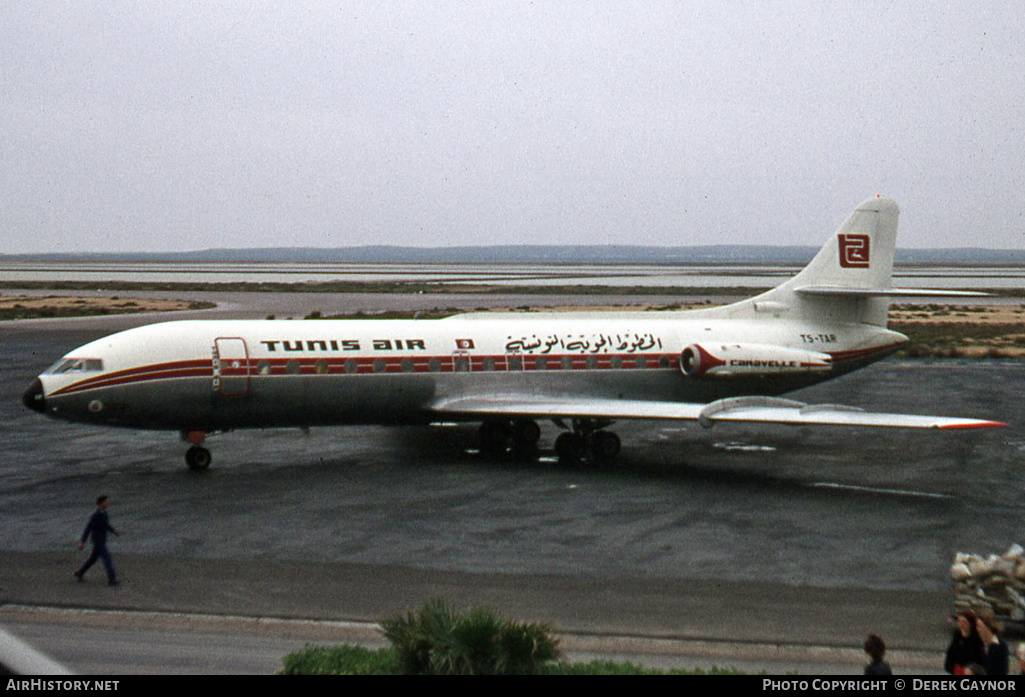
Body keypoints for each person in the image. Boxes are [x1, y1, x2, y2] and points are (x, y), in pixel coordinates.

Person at [73, 495, 121, 586]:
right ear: (101, 503)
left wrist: (113, 531)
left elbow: (106, 525)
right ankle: (111, 579)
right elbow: (88, 528)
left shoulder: (104, 513)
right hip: (98, 540)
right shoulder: (95, 516)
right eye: (106, 502)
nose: (108, 503)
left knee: (93, 558)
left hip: (102, 539)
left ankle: (80, 572)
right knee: (107, 558)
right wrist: (82, 542)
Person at [945, 610, 985, 675]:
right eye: (959, 621)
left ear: (970, 624)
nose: (961, 624)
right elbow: (950, 655)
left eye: (964, 622)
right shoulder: (957, 637)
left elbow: (980, 660)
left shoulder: (977, 639)